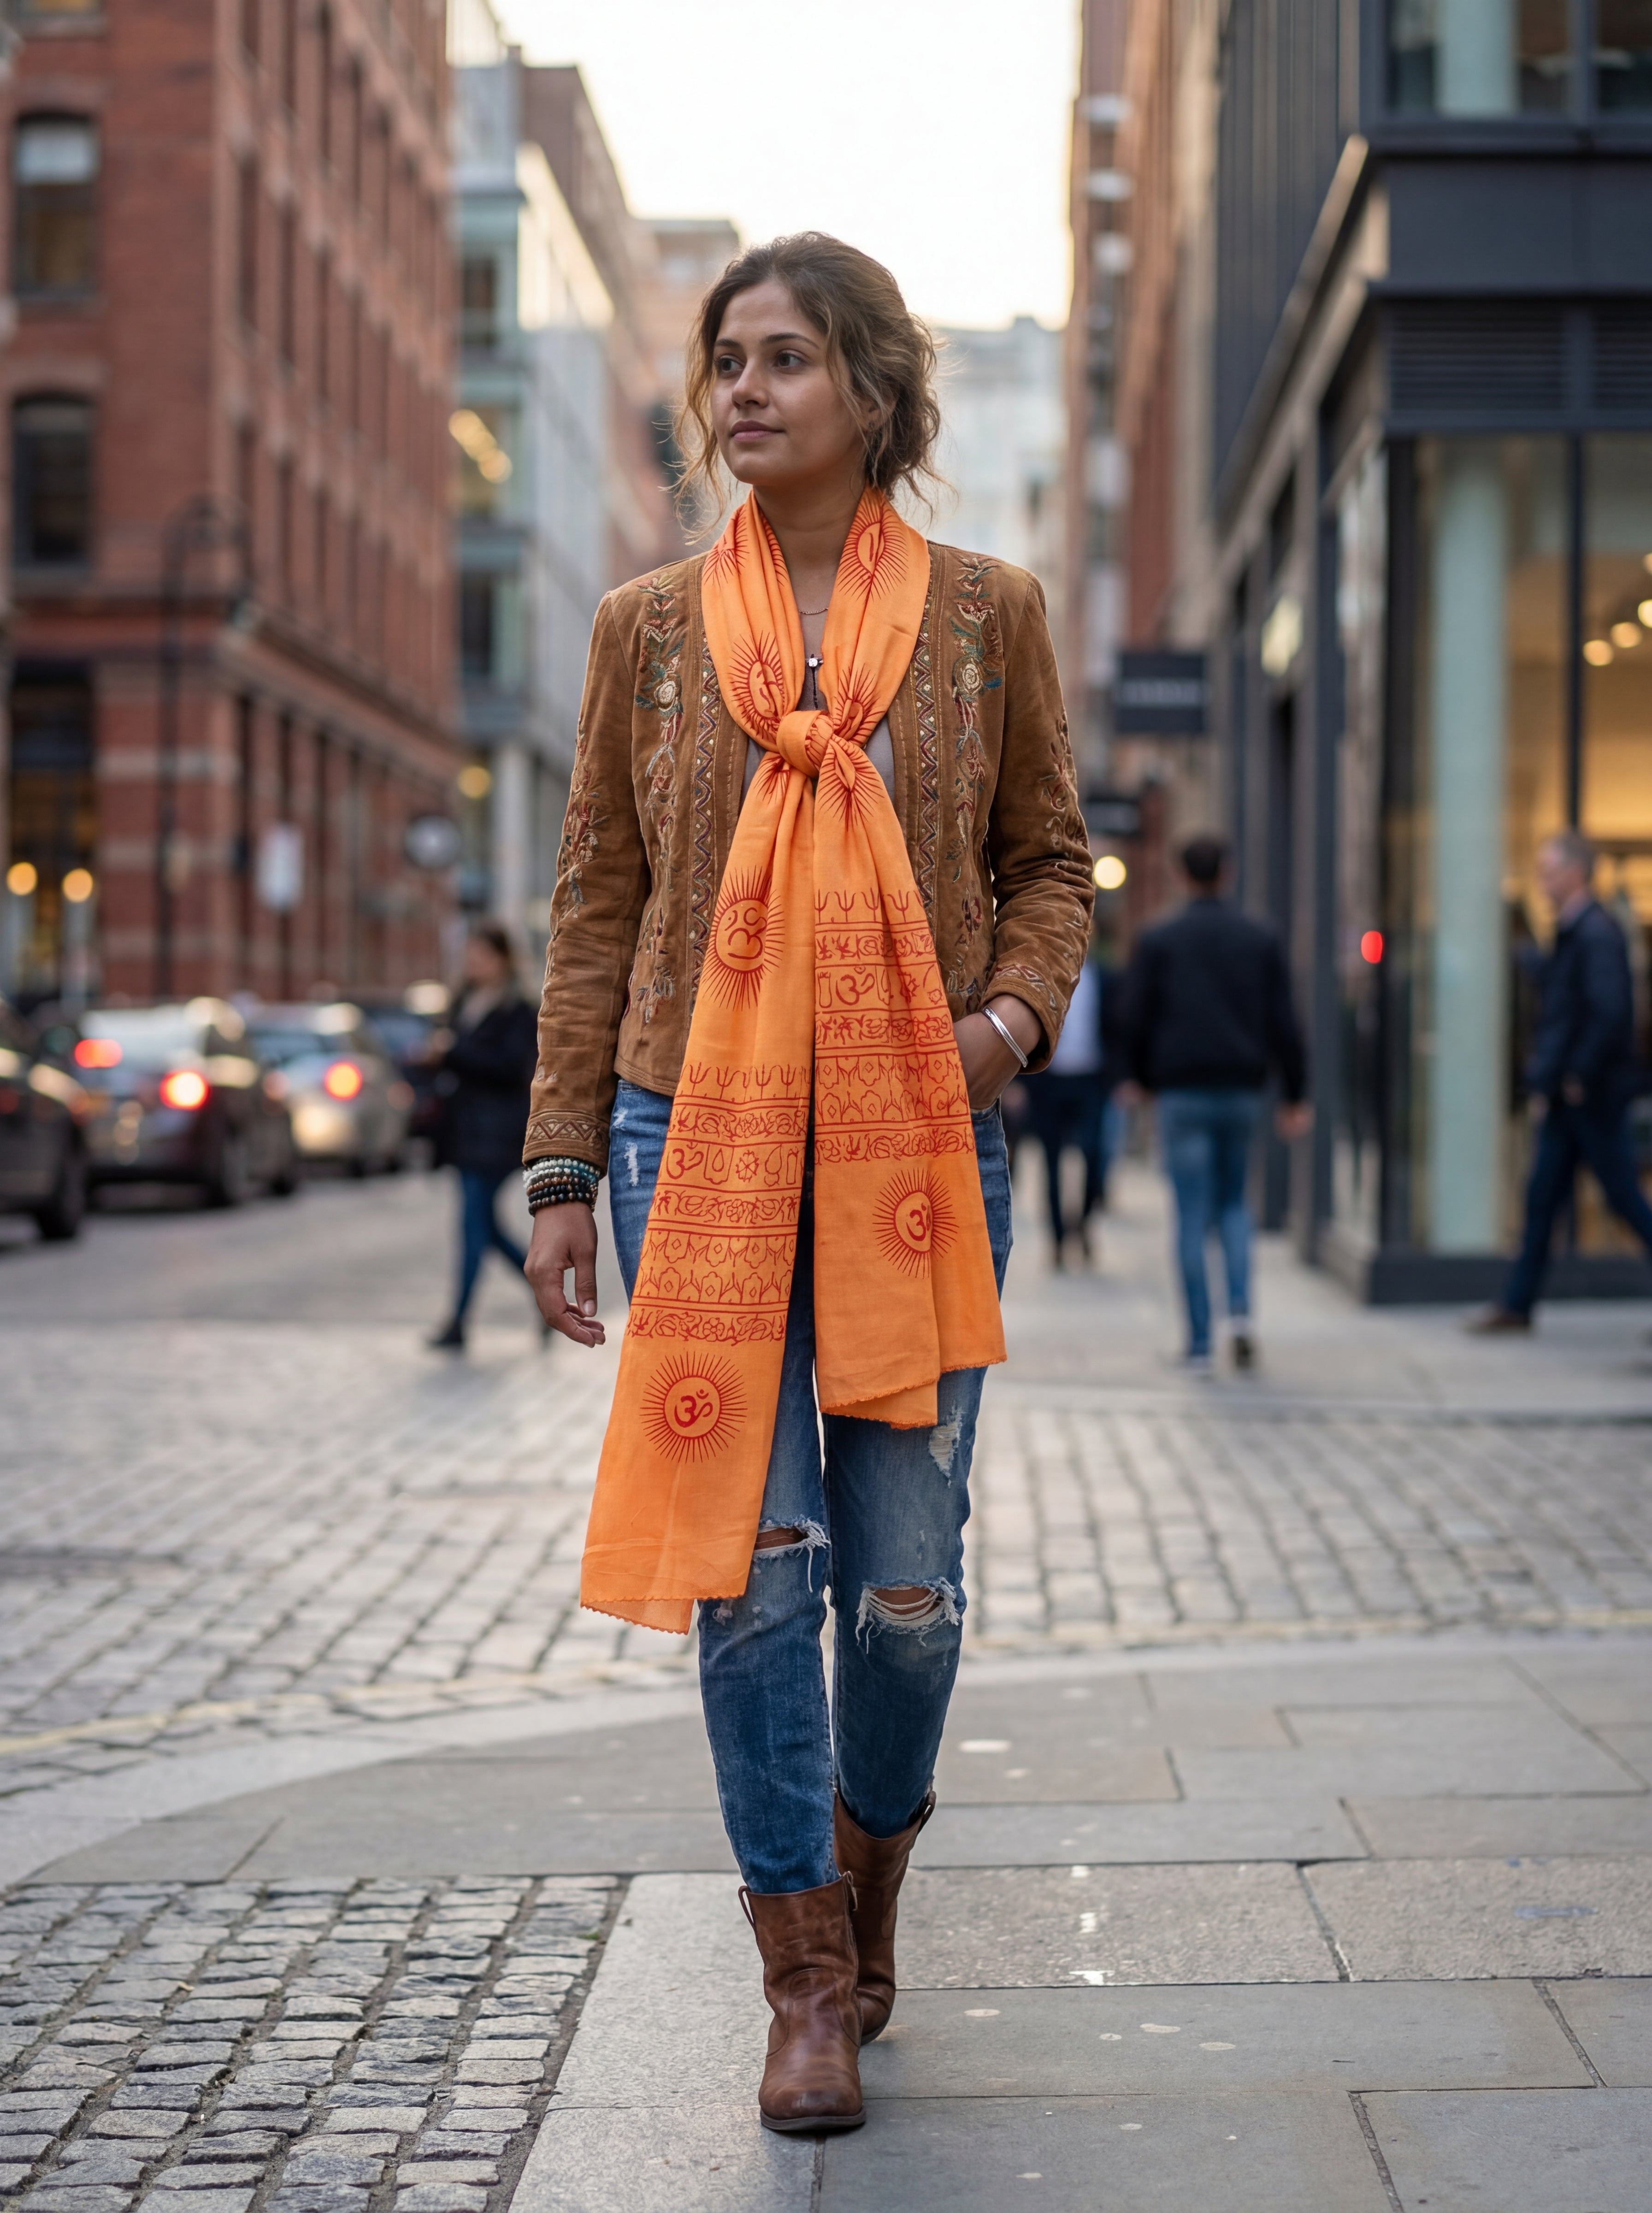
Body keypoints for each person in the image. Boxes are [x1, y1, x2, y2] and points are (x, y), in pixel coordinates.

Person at [519, 233, 1092, 2135]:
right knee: (757, 1576)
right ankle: (803, 1982)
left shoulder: (991, 614)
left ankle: (868, 1886)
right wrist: (554, 1165)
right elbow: (597, 896)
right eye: (724, 361)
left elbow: (1049, 866)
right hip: (690, 1130)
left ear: (869, 388)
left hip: (920, 1140)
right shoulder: (648, 633)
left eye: (781, 358)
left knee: (905, 1597)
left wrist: (1001, 1031)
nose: (740, 391)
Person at [1119, 834, 1309, 1371]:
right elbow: (1284, 1022)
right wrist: (1295, 1093)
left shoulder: (1159, 940)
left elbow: (1135, 1015)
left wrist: (1134, 1077)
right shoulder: (1258, 938)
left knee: (1190, 1212)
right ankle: (1242, 1315)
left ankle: (1200, 1342)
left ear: (1181, 876)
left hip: (1180, 1093)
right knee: (1233, 1207)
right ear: (1227, 872)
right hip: (1241, 1091)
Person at [1471, 828, 1652, 1332]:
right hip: (1567, 1093)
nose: (1542, 882)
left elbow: (1608, 1012)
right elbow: (1568, 1005)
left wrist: (1576, 1074)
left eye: (1548, 872)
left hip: (1587, 1095)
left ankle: (1516, 1304)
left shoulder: (1595, 933)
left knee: (1622, 1198)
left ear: (1574, 874)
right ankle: (1516, 1304)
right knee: (1541, 1199)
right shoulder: (1576, 934)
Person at [427, 922, 541, 1350]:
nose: (474, 964)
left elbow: (510, 1068)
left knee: (474, 1225)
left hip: (497, 1134)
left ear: (503, 960)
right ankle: (542, 1294)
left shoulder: (520, 1010)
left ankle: (458, 1322)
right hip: (463, 1132)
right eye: (469, 956)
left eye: (482, 956)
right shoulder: (462, 1003)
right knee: (484, 1227)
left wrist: (452, 1052)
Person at [1021, 939, 1120, 1267]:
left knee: (1094, 1154)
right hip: (1048, 1082)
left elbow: (1121, 1030)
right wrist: (1016, 1084)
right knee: (1051, 1161)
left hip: (1091, 1082)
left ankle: (1085, 1222)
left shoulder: (1105, 978)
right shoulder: (1044, 976)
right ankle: (1058, 1239)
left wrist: (1120, 1079)